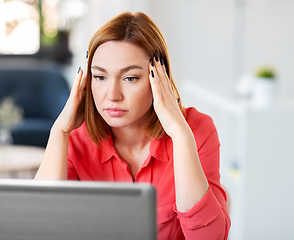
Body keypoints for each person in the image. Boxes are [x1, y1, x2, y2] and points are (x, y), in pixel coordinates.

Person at [35, 12, 231, 240]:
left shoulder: (197, 131)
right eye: (100, 77)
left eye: (130, 78)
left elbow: (210, 237)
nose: (112, 96)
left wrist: (179, 135)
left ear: (159, 78)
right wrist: (59, 131)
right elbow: (40, 226)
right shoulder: (76, 139)